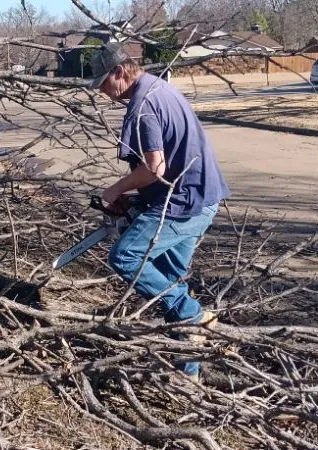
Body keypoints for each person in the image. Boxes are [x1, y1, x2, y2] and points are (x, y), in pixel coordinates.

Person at [87, 42, 230, 381]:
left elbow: (154, 168)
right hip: (199, 198)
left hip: (182, 204)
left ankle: (194, 314)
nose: (105, 93)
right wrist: (137, 198)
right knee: (171, 280)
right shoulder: (159, 87)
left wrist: (117, 188)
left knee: (126, 257)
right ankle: (188, 374)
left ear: (120, 71)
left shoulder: (143, 107)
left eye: (105, 84)